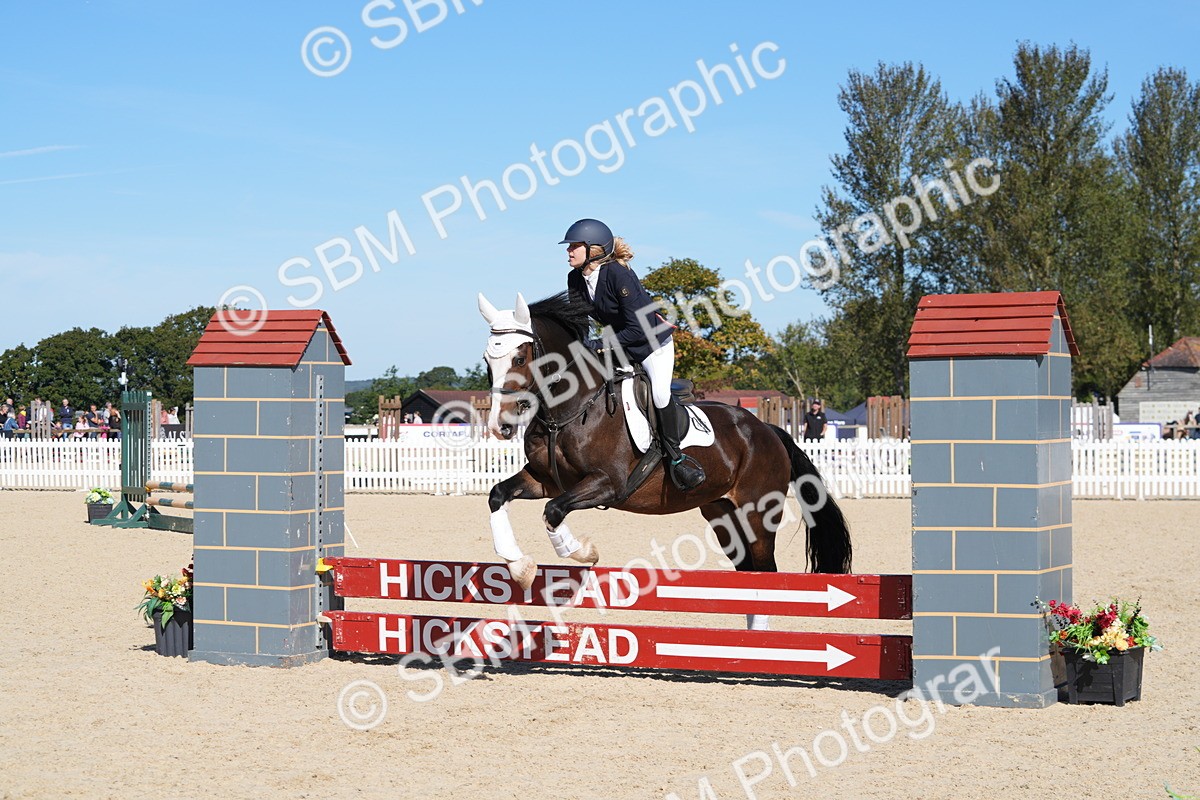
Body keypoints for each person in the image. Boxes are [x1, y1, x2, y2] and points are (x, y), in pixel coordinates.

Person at [561, 218, 704, 491]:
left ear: (593, 250)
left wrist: (598, 345)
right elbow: (580, 323)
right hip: (620, 345)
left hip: (651, 344)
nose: (569, 251)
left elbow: (637, 330)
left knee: (659, 394)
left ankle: (677, 459)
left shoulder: (618, 274)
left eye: (574, 246)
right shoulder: (575, 279)